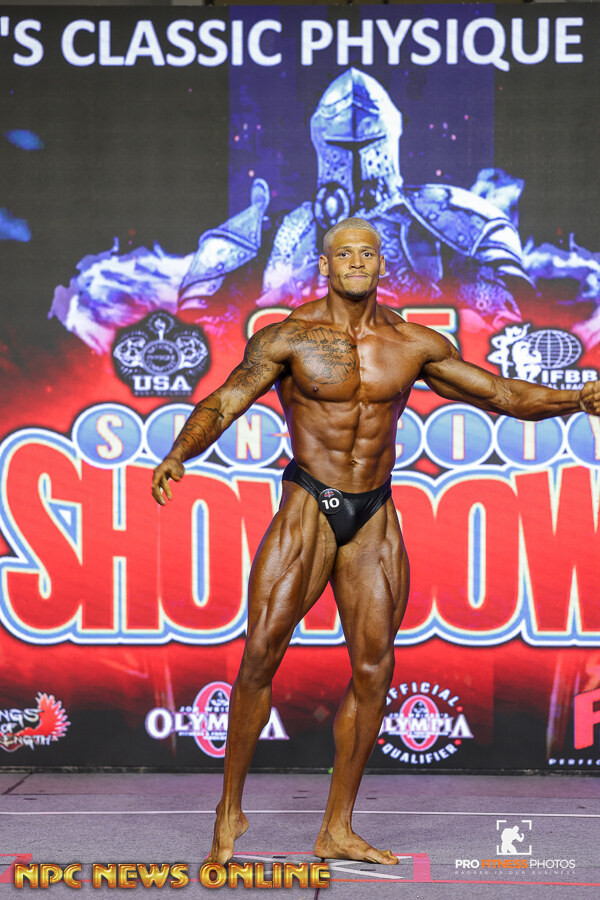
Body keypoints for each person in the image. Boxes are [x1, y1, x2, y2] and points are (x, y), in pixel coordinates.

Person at [152, 216, 600, 866]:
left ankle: (336, 827)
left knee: (374, 670)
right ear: (325, 265)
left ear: (382, 264)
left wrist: (577, 399)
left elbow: (501, 394)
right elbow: (225, 401)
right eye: (345, 254)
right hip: (309, 502)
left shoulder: (412, 344)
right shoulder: (289, 337)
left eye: (367, 253)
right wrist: (179, 453)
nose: (357, 262)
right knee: (259, 657)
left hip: (374, 514)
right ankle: (229, 812)